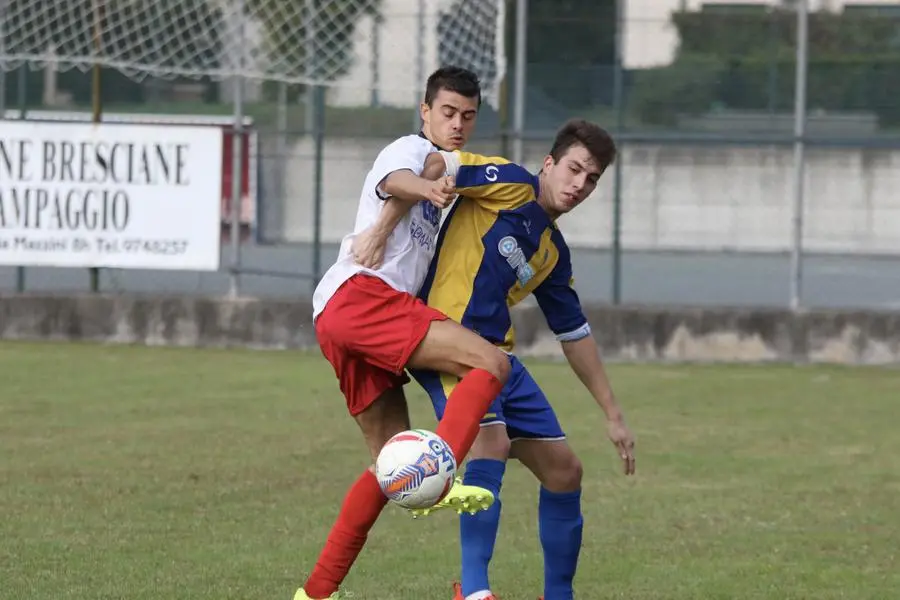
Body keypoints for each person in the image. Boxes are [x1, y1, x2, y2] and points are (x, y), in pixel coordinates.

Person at [354, 119, 637, 600]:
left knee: (565, 472)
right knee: (491, 442)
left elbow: (574, 334)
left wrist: (613, 415)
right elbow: (441, 163)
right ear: (549, 163)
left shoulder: (552, 251)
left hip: (497, 358)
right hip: (443, 340)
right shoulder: (507, 182)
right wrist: (404, 204)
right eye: (573, 169)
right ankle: (476, 590)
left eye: (591, 179)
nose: (579, 185)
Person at [294, 66, 513, 600]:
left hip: (336, 316)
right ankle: (445, 465)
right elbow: (397, 180)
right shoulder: (408, 149)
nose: (457, 123)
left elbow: (417, 187)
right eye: (447, 112)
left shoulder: (443, 164)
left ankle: (314, 594)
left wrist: (399, 214)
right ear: (425, 110)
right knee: (492, 364)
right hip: (362, 297)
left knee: (389, 470)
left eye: (467, 115)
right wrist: (426, 190)